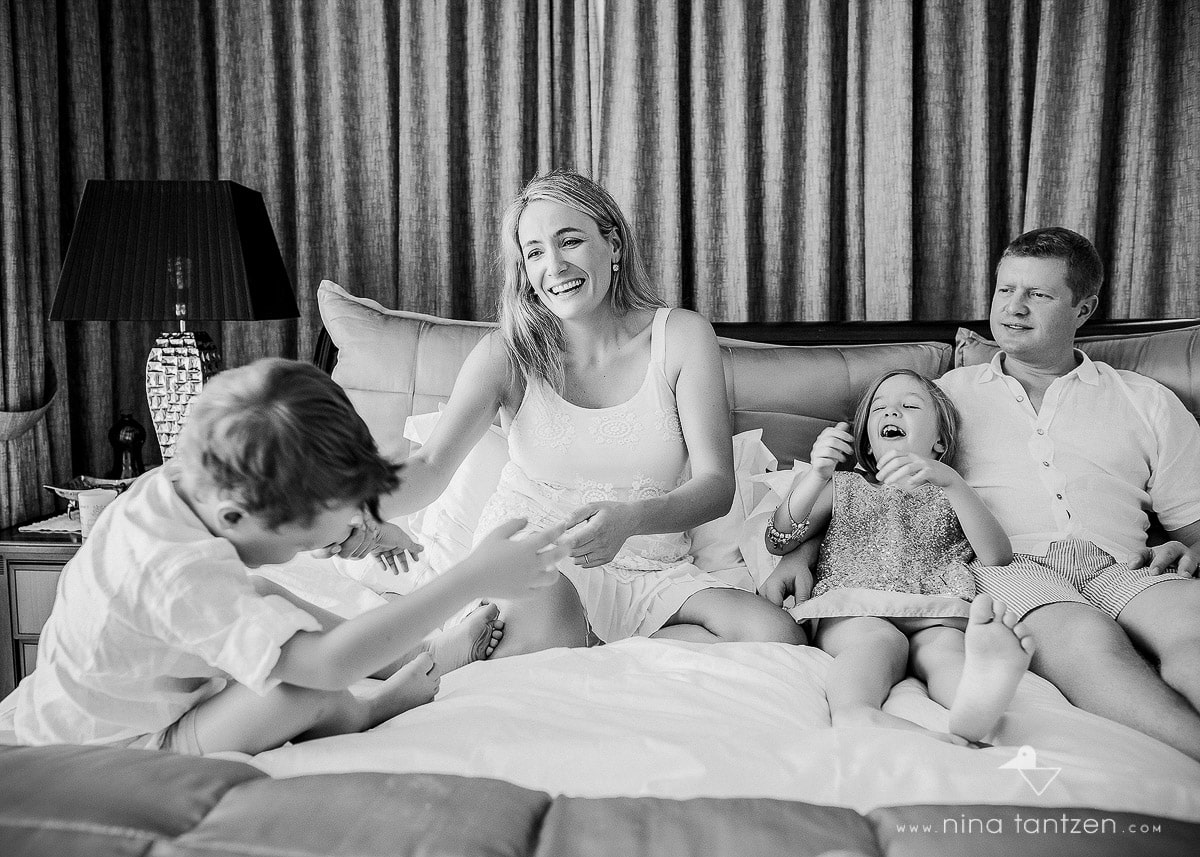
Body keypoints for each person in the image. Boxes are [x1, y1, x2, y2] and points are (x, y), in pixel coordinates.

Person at [344, 169, 806, 654]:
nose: (555, 266)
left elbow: (715, 486)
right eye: (536, 252)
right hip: (539, 563)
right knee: (544, 610)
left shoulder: (682, 337)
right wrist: (349, 513)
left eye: (570, 241)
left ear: (614, 245)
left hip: (653, 569)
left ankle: (597, 648)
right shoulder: (507, 354)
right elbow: (430, 466)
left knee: (777, 636)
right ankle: (581, 644)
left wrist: (631, 520)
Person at [3, 359, 566, 755]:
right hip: (120, 754)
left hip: (76, 709)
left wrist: (355, 523)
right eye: (303, 543)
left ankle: (412, 653)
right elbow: (326, 666)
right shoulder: (178, 575)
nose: (313, 550)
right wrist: (469, 579)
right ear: (235, 517)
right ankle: (373, 708)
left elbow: (286, 497)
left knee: (266, 598)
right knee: (300, 686)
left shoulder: (184, 480)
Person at [937, 226, 1200, 761]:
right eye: (1005, 290)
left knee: (1192, 626)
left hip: (1122, 567)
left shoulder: (1145, 400)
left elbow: (1195, 527)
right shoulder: (942, 400)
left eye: (1038, 294)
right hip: (1011, 569)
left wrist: (1190, 551)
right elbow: (866, 489)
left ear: (1084, 309)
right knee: (1088, 641)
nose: (1013, 308)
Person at [759, 369, 1033, 743]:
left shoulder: (950, 491)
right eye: (879, 409)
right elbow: (779, 540)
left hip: (933, 608)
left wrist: (951, 480)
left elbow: (997, 556)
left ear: (939, 441)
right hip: (855, 605)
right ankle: (856, 711)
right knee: (876, 642)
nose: (891, 413)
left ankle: (978, 707)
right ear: (868, 445)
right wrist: (817, 475)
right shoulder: (844, 485)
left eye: (909, 406)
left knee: (946, 652)